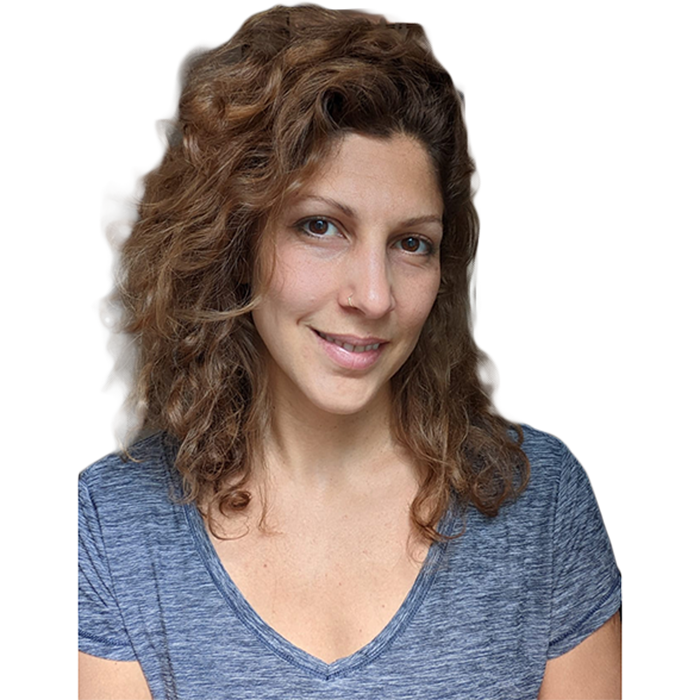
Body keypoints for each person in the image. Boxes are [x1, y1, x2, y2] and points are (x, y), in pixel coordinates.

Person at [78, 4, 621, 698]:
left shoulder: (540, 505)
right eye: (321, 227)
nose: (373, 295)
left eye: (412, 243)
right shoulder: (114, 525)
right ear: (236, 240)